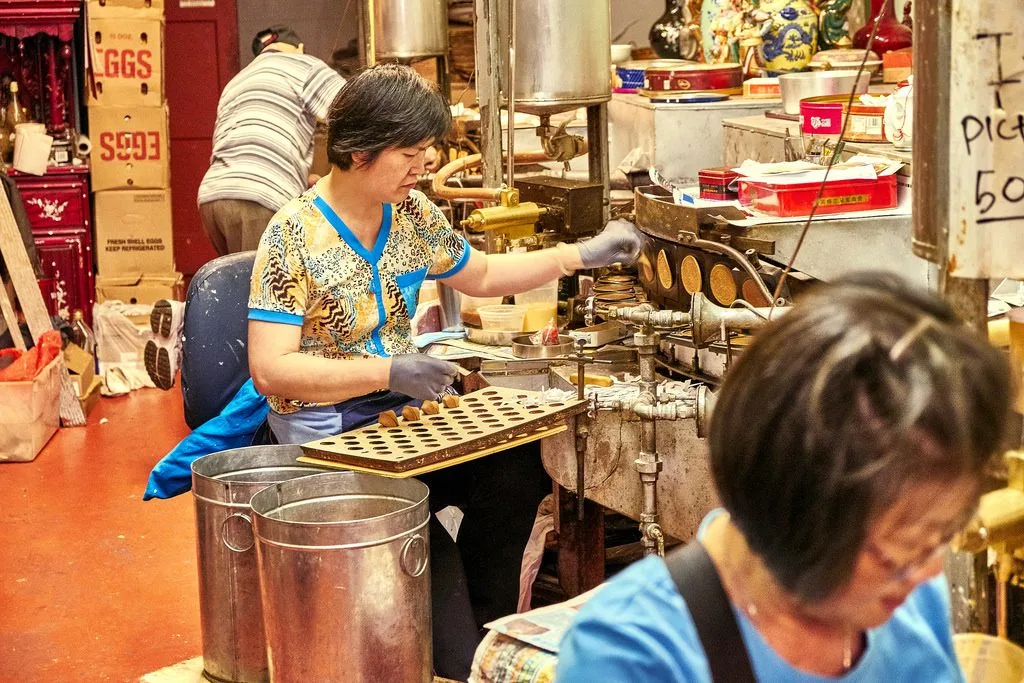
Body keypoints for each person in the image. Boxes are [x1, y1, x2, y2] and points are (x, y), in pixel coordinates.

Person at [246, 63, 645, 678]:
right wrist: (387, 371)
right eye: (410, 153)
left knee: (516, 469)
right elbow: (271, 370)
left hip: (404, 424)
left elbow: (479, 275)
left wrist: (579, 254)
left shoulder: (411, 216)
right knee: (436, 604)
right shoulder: (291, 237)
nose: (422, 167)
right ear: (357, 151)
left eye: (427, 152)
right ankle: (461, 646)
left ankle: (488, 636)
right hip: (332, 442)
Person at [557, 272, 1011, 682]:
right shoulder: (632, 655)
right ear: (793, 517)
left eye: (939, 536)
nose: (931, 569)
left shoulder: (911, 595)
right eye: (895, 554)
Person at [197, 25, 345, 256]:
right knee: (267, 290)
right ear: (300, 48)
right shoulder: (304, 65)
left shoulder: (235, 83)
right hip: (258, 199)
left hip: (214, 199)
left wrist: (300, 177)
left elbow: (238, 146)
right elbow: (358, 112)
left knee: (239, 286)